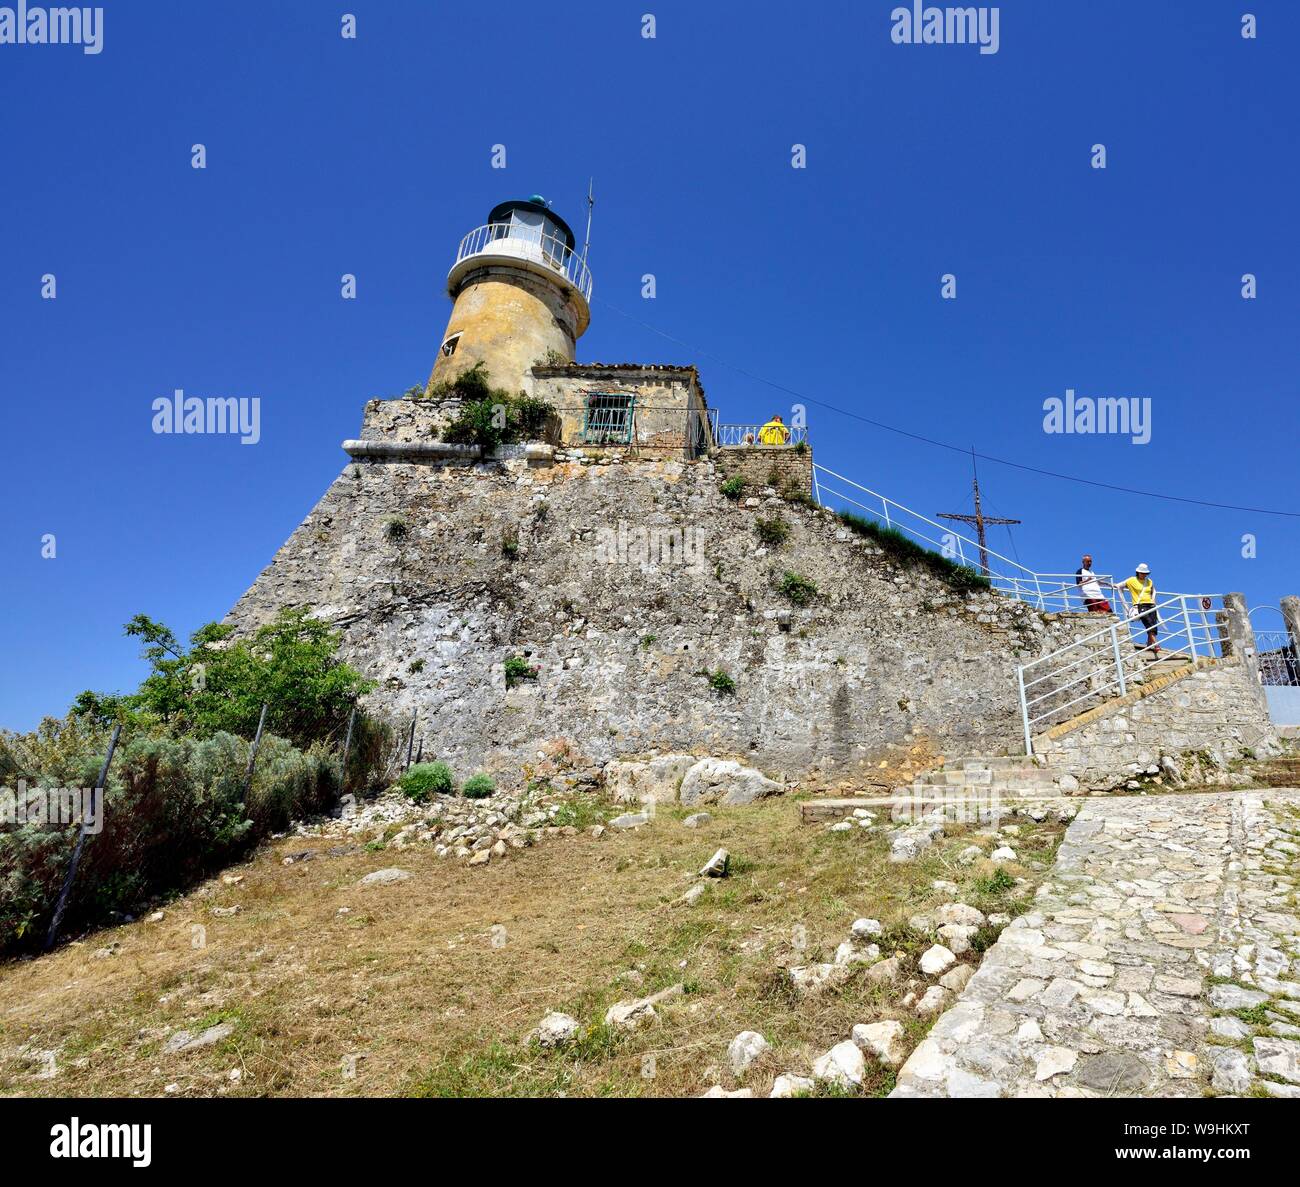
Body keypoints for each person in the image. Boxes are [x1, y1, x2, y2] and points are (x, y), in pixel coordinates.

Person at [1122, 563, 1159, 656]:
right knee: (1149, 624)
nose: (1144, 575)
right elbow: (1120, 585)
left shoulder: (1149, 581)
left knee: (1153, 625)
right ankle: (1156, 644)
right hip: (1141, 605)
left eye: (1145, 573)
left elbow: (1153, 590)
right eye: (1142, 573)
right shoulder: (1131, 580)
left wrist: (1154, 599)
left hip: (1151, 605)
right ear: (1138, 572)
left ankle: (1149, 645)